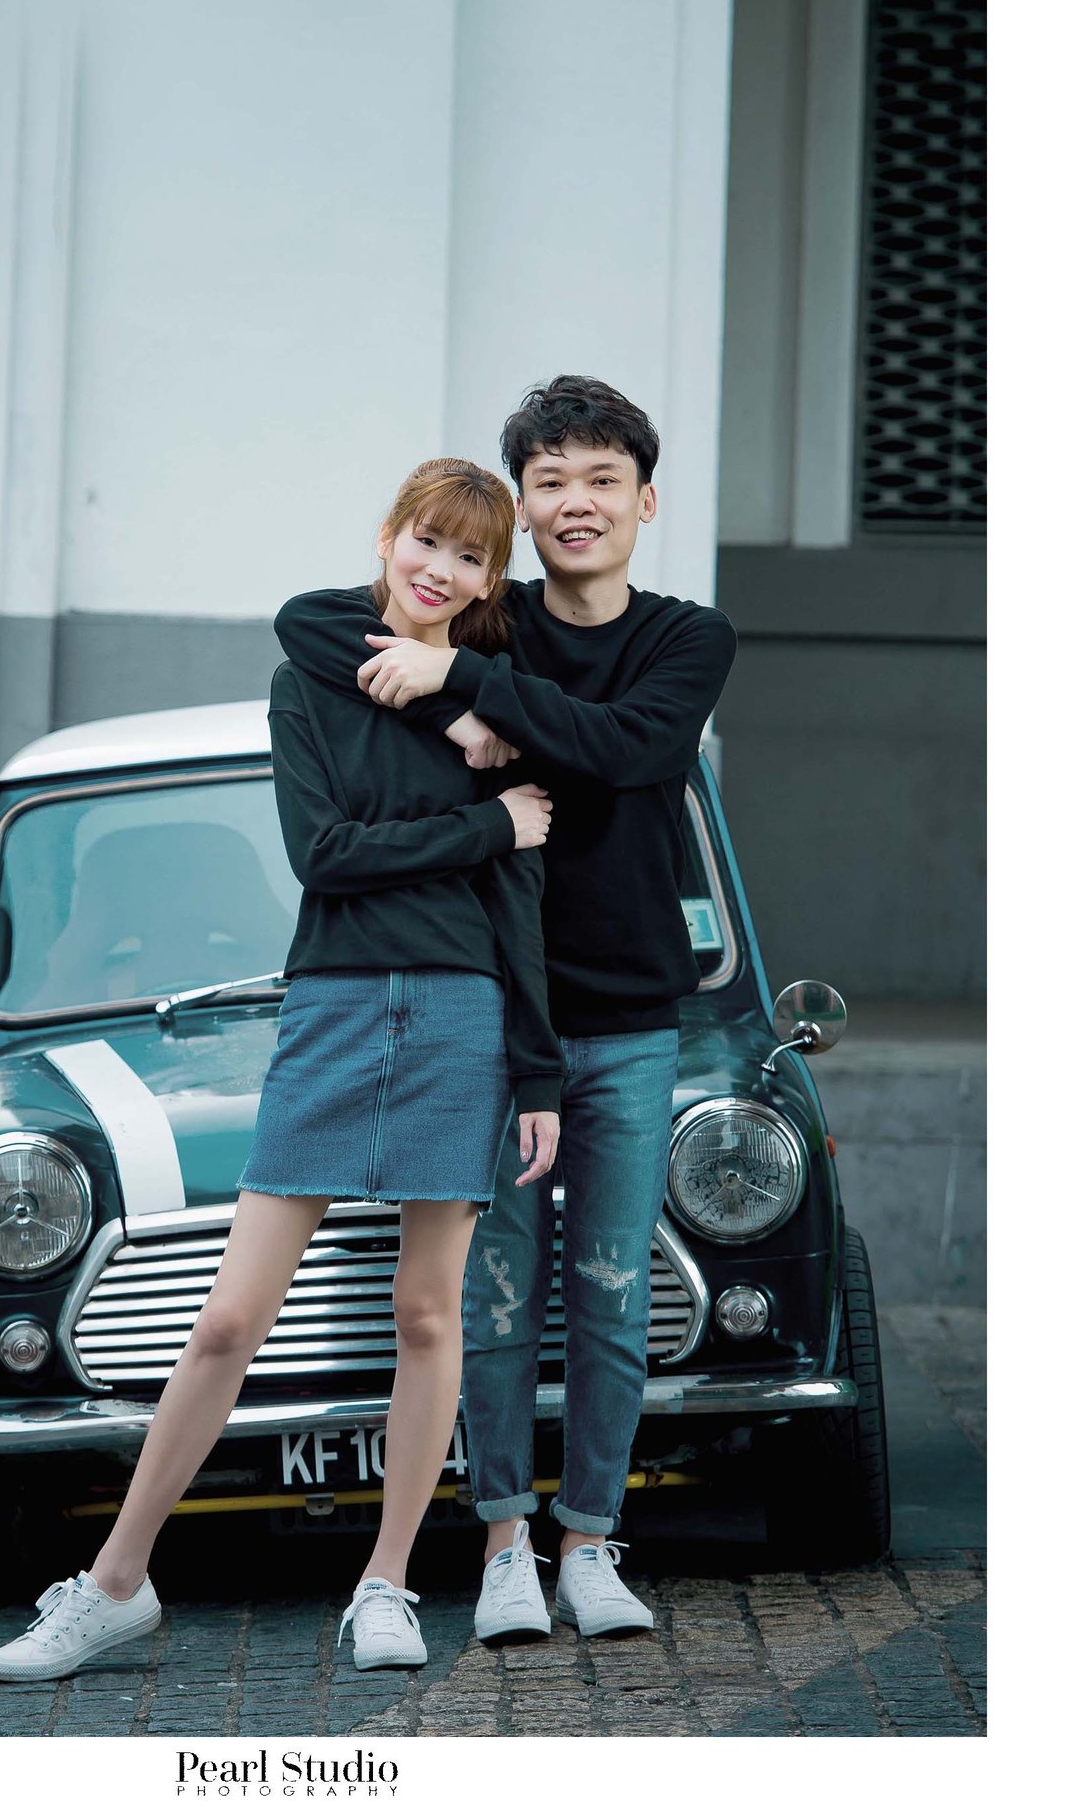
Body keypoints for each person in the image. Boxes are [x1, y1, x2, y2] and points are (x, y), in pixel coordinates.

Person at [0, 459, 562, 1683]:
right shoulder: (316, 671)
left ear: (489, 581)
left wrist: (541, 1074)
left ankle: (388, 1585)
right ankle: (115, 1585)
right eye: (425, 540)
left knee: (427, 1313)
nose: (438, 569)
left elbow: (518, 902)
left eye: (468, 556)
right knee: (228, 1319)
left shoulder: (500, 700)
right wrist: (483, 820)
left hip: (462, 1011)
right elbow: (326, 855)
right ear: (389, 536)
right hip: (336, 1005)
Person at [273, 376, 737, 1642]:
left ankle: (590, 1541)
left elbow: (633, 748)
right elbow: (312, 623)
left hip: (631, 1017)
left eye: (602, 480)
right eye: (551, 482)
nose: (577, 502)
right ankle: (501, 1548)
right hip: (489, 1011)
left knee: (612, 1291)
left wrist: (470, 691)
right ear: (523, 511)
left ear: (645, 502)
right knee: (489, 1300)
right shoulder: (492, 615)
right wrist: (457, 678)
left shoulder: (687, 639)